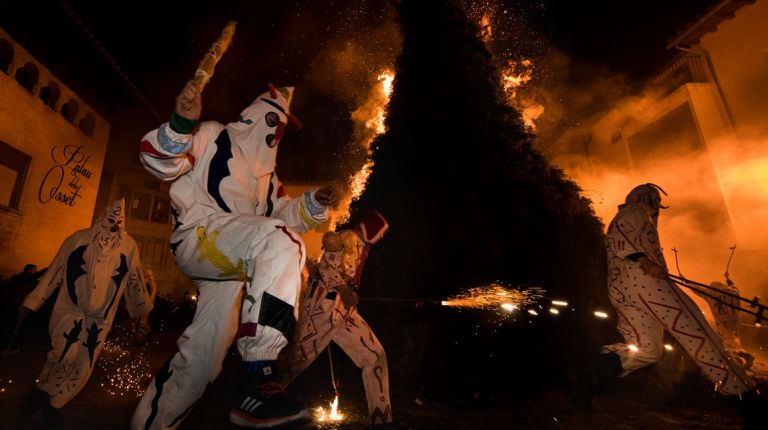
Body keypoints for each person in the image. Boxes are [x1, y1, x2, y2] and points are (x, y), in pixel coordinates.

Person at [132, 80, 339, 430]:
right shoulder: (212, 134)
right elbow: (159, 163)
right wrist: (181, 125)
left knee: (202, 360)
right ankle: (258, 377)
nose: (280, 134)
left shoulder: (268, 180)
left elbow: (283, 216)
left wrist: (313, 203)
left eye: (285, 129)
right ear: (260, 116)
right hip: (199, 236)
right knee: (281, 241)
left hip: (231, 265)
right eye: (278, 123)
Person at [569, 184, 755, 410]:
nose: (657, 210)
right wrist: (644, 261)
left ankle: (590, 372)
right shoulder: (637, 211)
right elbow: (618, 238)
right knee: (697, 330)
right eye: (656, 203)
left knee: (648, 348)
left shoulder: (633, 215)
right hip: (648, 284)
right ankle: (743, 395)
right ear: (649, 199)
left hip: (622, 292)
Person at [18, 199, 151, 425]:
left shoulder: (128, 246)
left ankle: (54, 405)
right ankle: (40, 391)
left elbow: (135, 277)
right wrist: (32, 302)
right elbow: (55, 271)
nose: (114, 226)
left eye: (119, 222)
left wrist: (139, 307)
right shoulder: (78, 239)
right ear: (102, 217)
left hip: (101, 317)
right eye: (111, 220)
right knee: (63, 353)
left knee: (84, 362)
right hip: (71, 309)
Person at [280, 210, 393, 429]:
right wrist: (345, 290)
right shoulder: (346, 237)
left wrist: (350, 292)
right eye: (380, 232)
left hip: (344, 313)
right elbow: (324, 267)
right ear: (370, 227)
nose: (381, 237)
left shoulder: (363, 248)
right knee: (293, 363)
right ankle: (256, 402)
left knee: (374, 355)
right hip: (322, 311)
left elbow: (346, 277)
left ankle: (382, 420)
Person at [0, 263, 39, 351]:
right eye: (33, 270)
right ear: (28, 270)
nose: (35, 272)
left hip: (17, 304)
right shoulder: (22, 278)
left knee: (15, 325)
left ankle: (12, 345)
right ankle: (9, 346)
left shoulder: (25, 279)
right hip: (14, 305)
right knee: (12, 325)